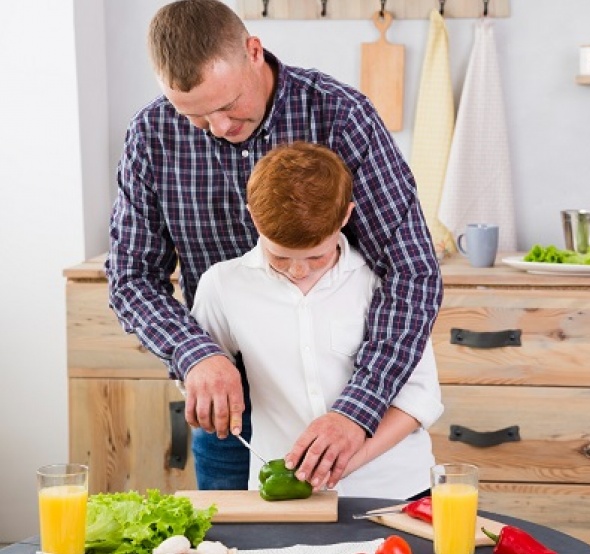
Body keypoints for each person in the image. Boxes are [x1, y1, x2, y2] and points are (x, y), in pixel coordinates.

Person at [105, 0, 442, 490]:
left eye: (228, 105)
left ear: (254, 52)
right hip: (228, 412)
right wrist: (195, 352)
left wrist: (358, 409)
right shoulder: (151, 135)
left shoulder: (340, 116)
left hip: (345, 388)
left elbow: (411, 270)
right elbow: (132, 279)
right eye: (195, 116)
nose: (219, 128)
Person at [191, 141, 442, 498]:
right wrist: (203, 386)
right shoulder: (222, 285)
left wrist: (345, 462)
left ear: (345, 216)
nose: (298, 270)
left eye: (316, 257)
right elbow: (203, 381)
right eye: (280, 257)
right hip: (282, 496)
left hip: (395, 489)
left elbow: (419, 396)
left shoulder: (382, 283)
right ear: (253, 217)